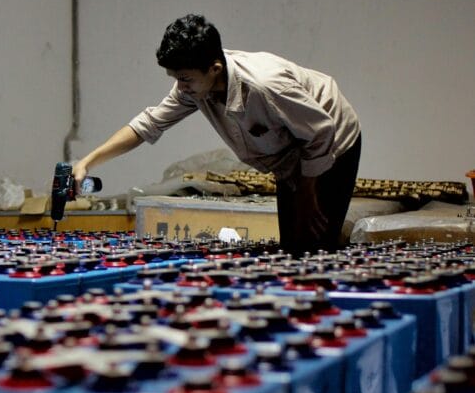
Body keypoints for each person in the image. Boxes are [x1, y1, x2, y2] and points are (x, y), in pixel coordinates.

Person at [72, 13, 361, 256]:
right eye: (176, 78)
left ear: (215, 69)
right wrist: (87, 162)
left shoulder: (264, 86)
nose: (180, 87)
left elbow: (320, 131)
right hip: (292, 156)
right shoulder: (194, 87)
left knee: (314, 247)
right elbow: (147, 124)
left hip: (332, 142)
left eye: (185, 79)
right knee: (292, 248)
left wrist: (308, 194)